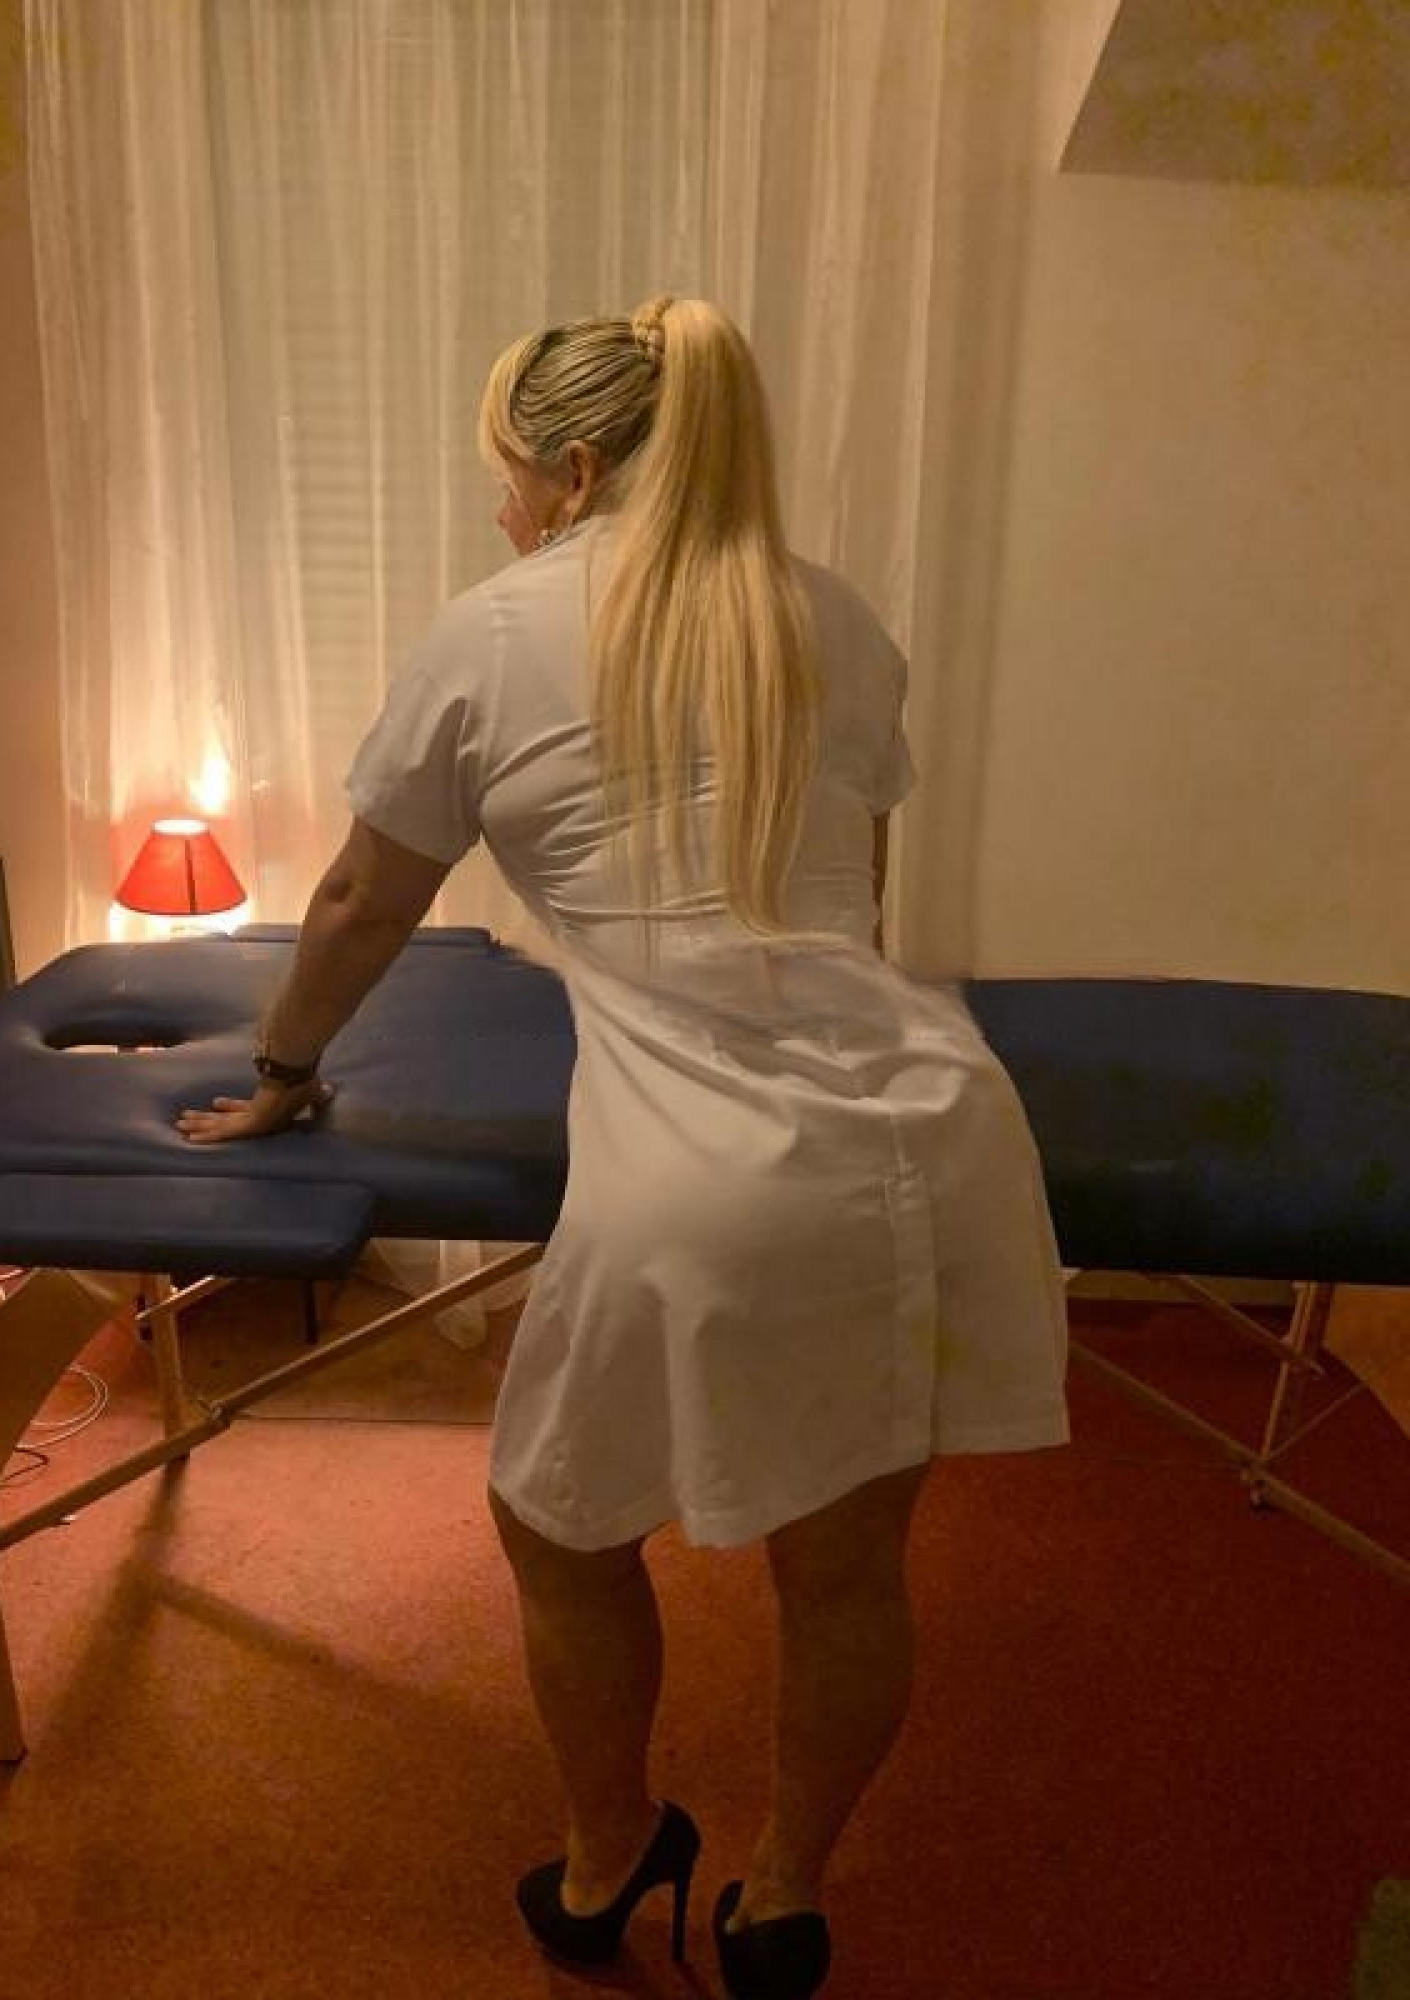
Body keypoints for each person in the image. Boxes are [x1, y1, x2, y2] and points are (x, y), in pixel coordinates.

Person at [177, 295, 1070, 2000]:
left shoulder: (496, 629)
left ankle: (606, 1860)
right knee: (846, 1566)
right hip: (931, 1126)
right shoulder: (832, 613)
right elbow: (852, 901)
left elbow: (362, 898)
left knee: (558, 1527)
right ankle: (785, 1897)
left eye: (509, 477)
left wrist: (285, 1067)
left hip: (705, 1169)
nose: (500, 508)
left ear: (576, 470)